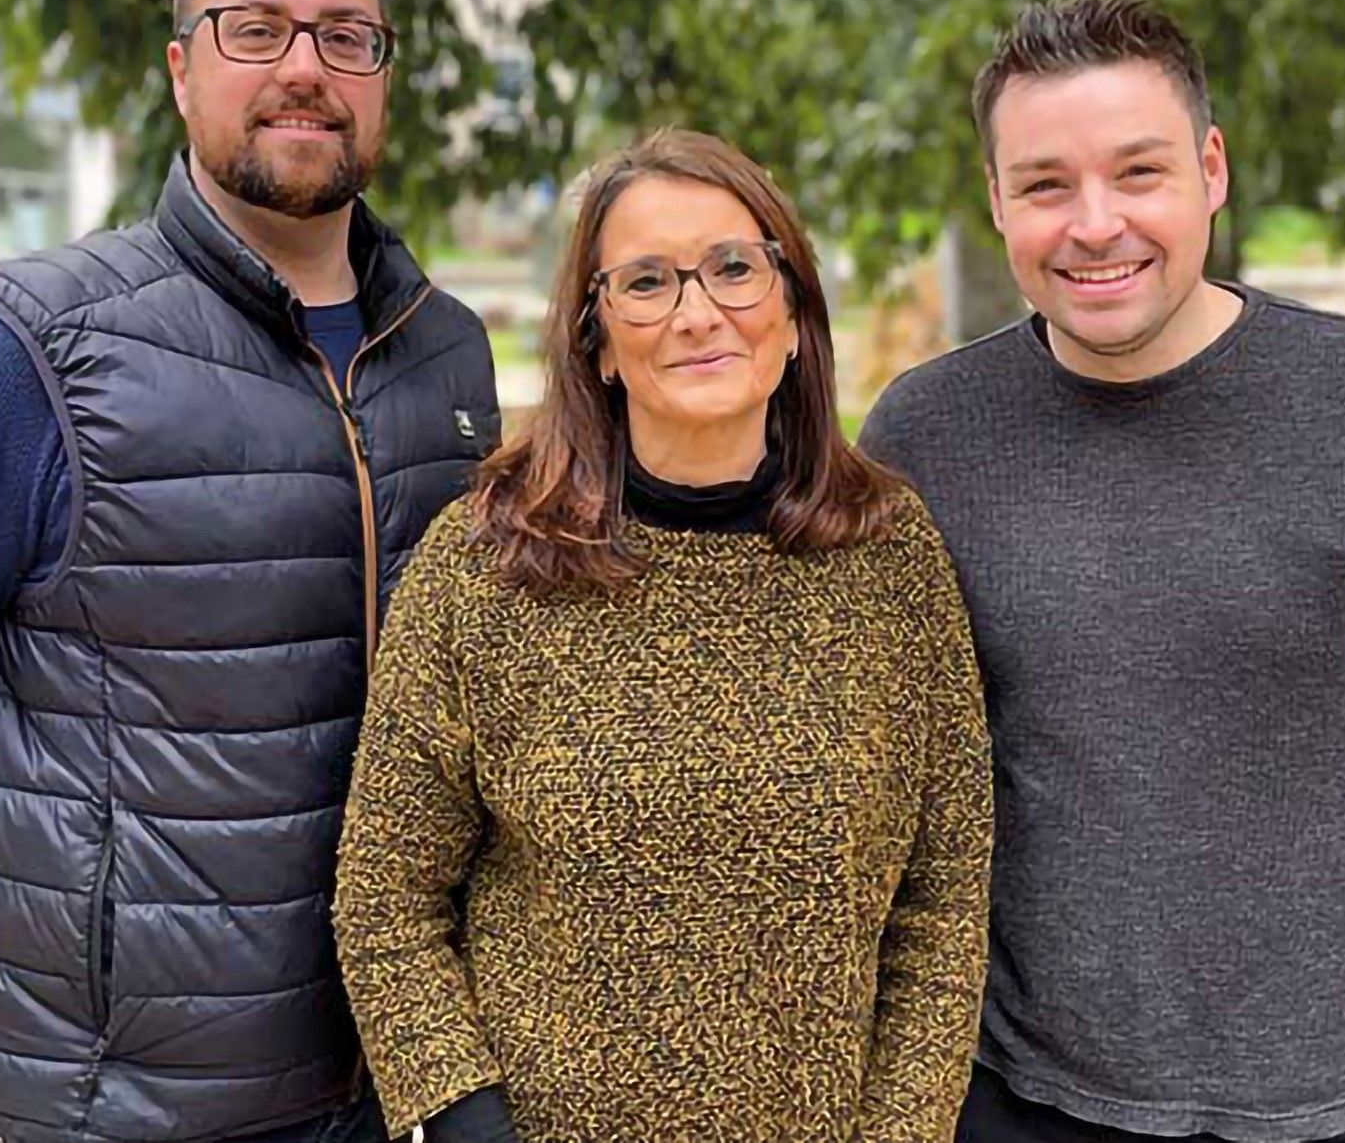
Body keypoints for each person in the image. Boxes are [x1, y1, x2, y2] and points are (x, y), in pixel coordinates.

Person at [0, 0, 499, 1143]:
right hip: (117, 1105)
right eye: (254, 29)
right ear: (179, 68)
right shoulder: (23, 352)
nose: (304, 69)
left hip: (379, 1085)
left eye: (344, 36)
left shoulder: (446, 355)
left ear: (382, 75)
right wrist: (59, 941)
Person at [858, 0, 1345, 1143]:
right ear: (995, 201)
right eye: (1044, 185)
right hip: (1015, 1100)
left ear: (1210, 170)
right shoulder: (926, 438)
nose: (1094, 225)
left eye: (1137, 173)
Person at [331, 129, 994, 1143]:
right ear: (594, 340)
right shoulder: (484, 562)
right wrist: (467, 1124)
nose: (697, 313)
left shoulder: (888, 557)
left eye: (733, 268)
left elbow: (942, 902)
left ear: (791, 314)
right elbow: (385, 895)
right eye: (646, 282)